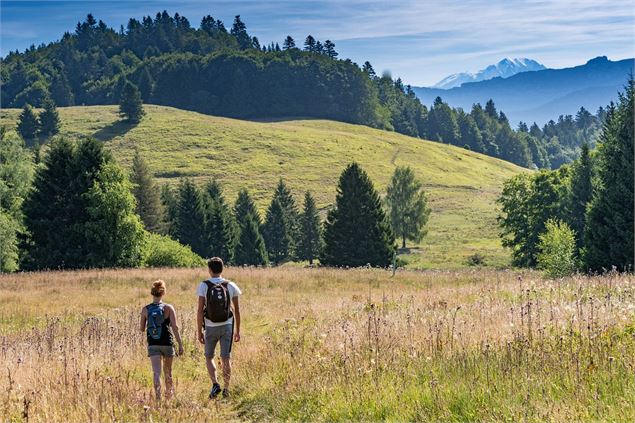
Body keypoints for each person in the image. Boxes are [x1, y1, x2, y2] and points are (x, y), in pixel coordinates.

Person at [197, 257, 242, 399]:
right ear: (222, 269)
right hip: (227, 325)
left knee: (209, 357)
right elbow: (237, 310)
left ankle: (215, 383)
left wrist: (199, 331)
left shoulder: (204, 286)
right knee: (226, 358)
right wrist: (238, 331)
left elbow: (199, 311)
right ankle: (227, 388)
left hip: (210, 327)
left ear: (209, 270)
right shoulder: (231, 285)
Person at [140, 280, 184, 401]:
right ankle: (169, 397)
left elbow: (142, 329)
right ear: (163, 293)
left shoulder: (145, 309)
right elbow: (175, 327)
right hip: (167, 343)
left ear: (152, 293)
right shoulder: (168, 308)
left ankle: (158, 398)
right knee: (168, 372)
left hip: (153, 344)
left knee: (156, 372)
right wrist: (180, 344)